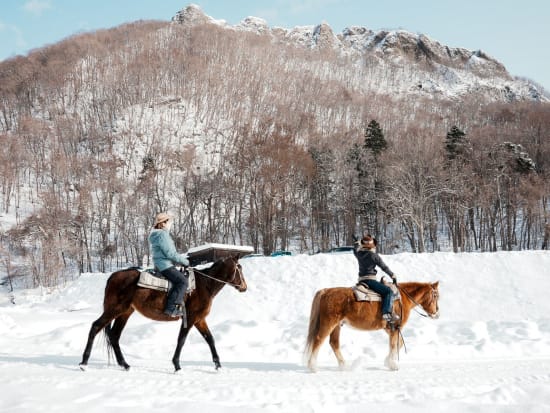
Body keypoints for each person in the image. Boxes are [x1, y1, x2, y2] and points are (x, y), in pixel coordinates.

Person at [148, 212, 190, 317]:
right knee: (183, 282)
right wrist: (185, 262)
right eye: (169, 222)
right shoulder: (162, 234)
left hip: (159, 264)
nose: (170, 224)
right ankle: (171, 308)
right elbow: (170, 253)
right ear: (163, 223)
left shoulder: (156, 234)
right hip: (164, 265)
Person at [353, 234, 399, 324]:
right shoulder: (373, 255)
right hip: (370, 281)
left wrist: (356, 243)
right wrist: (393, 275)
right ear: (372, 245)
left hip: (361, 280)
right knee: (388, 291)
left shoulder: (359, 254)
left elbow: (355, 250)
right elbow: (384, 267)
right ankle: (386, 313)